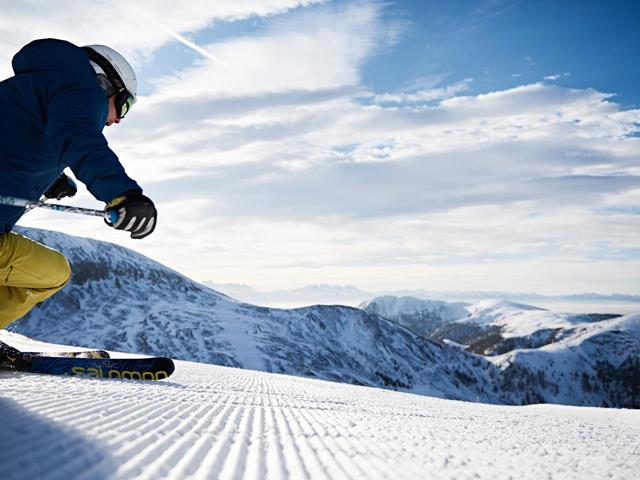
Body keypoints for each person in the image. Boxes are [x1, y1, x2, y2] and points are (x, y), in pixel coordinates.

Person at [0, 38, 157, 331]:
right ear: (107, 84)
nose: (117, 120)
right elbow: (78, 138)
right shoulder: (83, 90)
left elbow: (14, 138)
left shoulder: (33, 87)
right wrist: (123, 193)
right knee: (52, 272)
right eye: (125, 105)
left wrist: (47, 176)